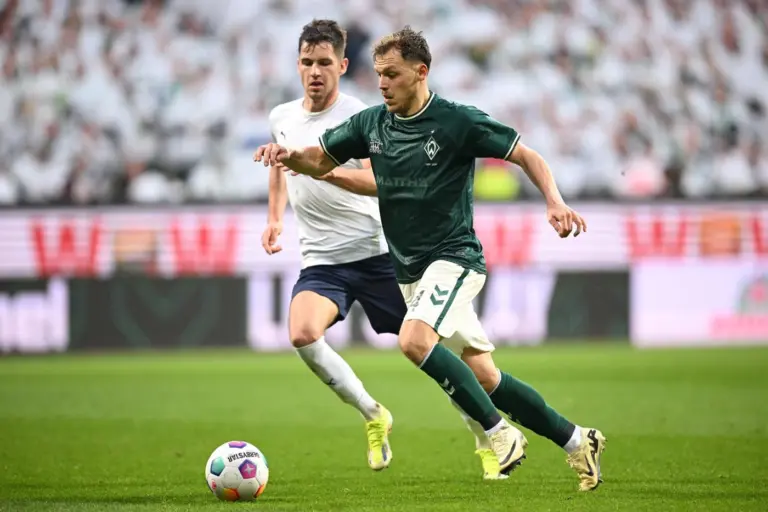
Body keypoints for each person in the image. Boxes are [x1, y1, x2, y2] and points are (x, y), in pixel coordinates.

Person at [256, 26, 607, 491]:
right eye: (379, 74)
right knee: (484, 377)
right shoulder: (371, 124)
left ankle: (500, 435)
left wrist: (554, 201)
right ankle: (577, 439)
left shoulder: (457, 121)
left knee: (414, 340)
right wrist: (286, 156)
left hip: (455, 258)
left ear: (420, 73)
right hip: (410, 271)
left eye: (393, 75)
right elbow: (318, 159)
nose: (383, 84)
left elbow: (526, 155)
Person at [264, 19, 515, 479]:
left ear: (342, 65)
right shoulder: (281, 117)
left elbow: (385, 182)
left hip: (380, 255)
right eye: (306, 62)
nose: (315, 71)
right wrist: (275, 218)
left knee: (443, 355)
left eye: (324, 63)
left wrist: (327, 172)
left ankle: (485, 439)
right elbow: (281, 167)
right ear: (297, 65)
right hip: (323, 260)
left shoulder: (364, 116)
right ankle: (373, 413)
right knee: (301, 333)